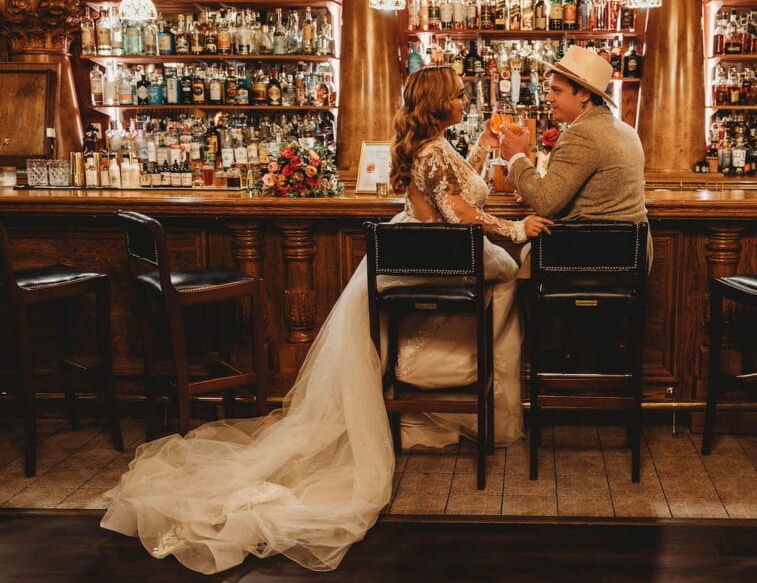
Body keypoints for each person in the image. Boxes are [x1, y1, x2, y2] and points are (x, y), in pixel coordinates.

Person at [100, 65, 551, 574]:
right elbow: (459, 215)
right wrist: (515, 228)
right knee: (513, 271)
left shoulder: (433, 147)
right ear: (439, 103)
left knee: (505, 273)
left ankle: (439, 371)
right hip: (439, 256)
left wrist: (487, 146)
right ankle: (452, 374)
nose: (467, 98)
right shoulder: (432, 152)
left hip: (418, 254)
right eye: (460, 94)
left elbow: (458, 187)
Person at [499, 45, 647, 226]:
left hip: (585, 251)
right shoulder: (626, 130)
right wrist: (531, 189)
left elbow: (545, 202)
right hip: (625, 250)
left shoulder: (582, 134)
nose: (548, 98)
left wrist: (515, 155)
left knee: (505, 247)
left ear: (584, 95)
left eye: (557, 91)